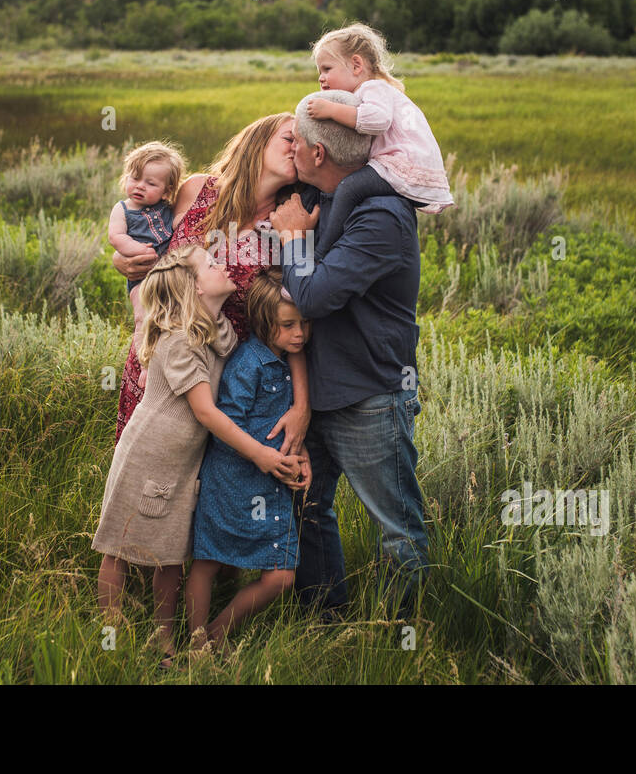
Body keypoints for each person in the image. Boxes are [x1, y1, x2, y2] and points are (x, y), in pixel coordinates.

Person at [268, 87, 429, 618]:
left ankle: (401, 633)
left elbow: (313, 296)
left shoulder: (380, 216)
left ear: (320, 155)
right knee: (308, 508)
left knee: (396, 526)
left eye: (300, 145)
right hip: (317, 391)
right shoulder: (326, 195)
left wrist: (293, 241)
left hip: (370, 396)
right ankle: (325, 616)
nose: (293, 152)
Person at [93, 245, 266, 666]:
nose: (221, 263)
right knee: (119, 544)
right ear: (192, 287)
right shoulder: (179, 340)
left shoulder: (214, 329)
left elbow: (226, 346)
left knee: (170, 555)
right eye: (210, 264)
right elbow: (205, 411)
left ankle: (162, 640)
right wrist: (258, 453)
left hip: (182, 461)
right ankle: (109, 637)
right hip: (149, 454)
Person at [112, 115, 312, 467]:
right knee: (138, 472)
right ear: (258, 140)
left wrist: (301, 405)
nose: (298, 147)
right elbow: (148, 243)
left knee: (195, 490)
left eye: (304, 142)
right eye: (288, 139)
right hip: (155, 359)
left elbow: (291, 315)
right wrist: (122, 257)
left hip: (222, 381)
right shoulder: (197, 190)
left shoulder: (287, 224)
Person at [185, 270, 312, 653]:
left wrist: (298, 456)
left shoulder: (287, 362)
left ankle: (218, 631)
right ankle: (196, 644)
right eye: (288, 325)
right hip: (232, 479)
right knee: (208, 560)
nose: (300, 333)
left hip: (270, 482)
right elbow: (228, 424)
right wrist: (267, 457)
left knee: (282, 575)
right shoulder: (247, 364)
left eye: (303, 323)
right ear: (262, 322)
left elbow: (287, 425)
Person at [304, 22, 454, 261]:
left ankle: (321, 255)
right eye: (319, 71)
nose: (321, 78)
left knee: (348, 188)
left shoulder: (373, 88)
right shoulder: (367, 92)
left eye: (327, 68)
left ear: (356, 65)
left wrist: (331, 110)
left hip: (401, 164)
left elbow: (377, 120)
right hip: (397, 162)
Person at [107, 141, 185, 355]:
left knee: (169, 317)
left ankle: (165, 356)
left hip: (169, 276)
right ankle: (144, 363)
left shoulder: (168, 207)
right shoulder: (122, 209)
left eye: (150, 183)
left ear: (166, 191)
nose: (140, 186)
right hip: (141, 277)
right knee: (143, 317)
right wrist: (137, 250)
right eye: (135, 178)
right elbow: (116, 237)